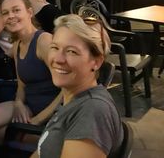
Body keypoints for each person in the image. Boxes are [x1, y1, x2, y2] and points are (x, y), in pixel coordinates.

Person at [0, 0, 61, 158]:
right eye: (5, 13)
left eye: (16, 10)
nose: (11, 16)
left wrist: (38, 119)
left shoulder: (44, 41)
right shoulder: (17, 45)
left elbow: (67, 90)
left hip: (52, 115)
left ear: (29, 12)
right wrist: (18, 103)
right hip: (29, 106)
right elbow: (22, 84)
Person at [32, 14, 123, 158]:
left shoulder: (93, 112)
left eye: (71, 51)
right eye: (54, 47)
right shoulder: (74, 99)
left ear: (97, 62)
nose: (58, 59)